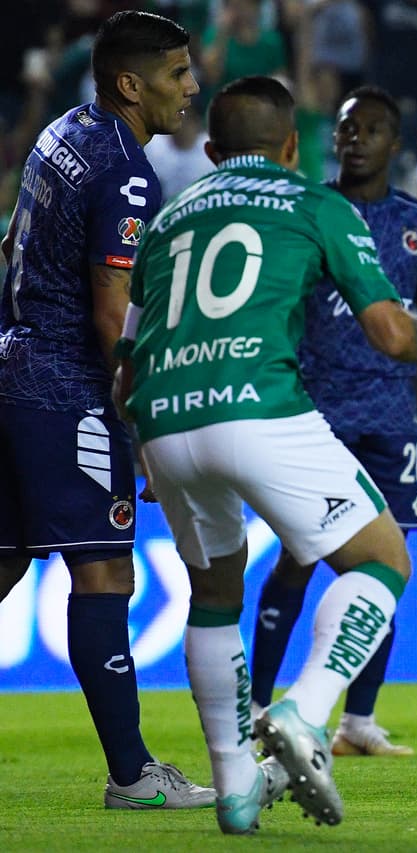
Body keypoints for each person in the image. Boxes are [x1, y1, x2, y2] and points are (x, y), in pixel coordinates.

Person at [111, 76, 417, 834]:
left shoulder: (169, 218)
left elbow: (124, 367)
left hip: (164, 419)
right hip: (260, 406)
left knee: (214, 593)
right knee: (381, 562)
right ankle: (307, 714)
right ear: (291, 147)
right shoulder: (316, 204)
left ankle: (237, 787)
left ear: (211, 151)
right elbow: (393, 333)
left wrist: (144, 451)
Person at [0, 10, 214, 810]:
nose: (191, 89)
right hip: (64, 389)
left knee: (8, 560)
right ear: (133, 83)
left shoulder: (63, 130)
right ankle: (132, 775)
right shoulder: (127, 171)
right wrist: (145, 430)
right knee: (103, 570)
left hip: (11, 363)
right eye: (177, 74)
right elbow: (108, 311)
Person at [248, 85, 417, 757]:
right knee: (296, 558)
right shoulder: (308, 210)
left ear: (395, 143)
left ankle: (357, 721)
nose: (355, 138)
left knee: (387, 564)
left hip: (389, 419)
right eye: (347, 128)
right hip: (313, 415)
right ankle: (259, 706)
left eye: (371, 128)